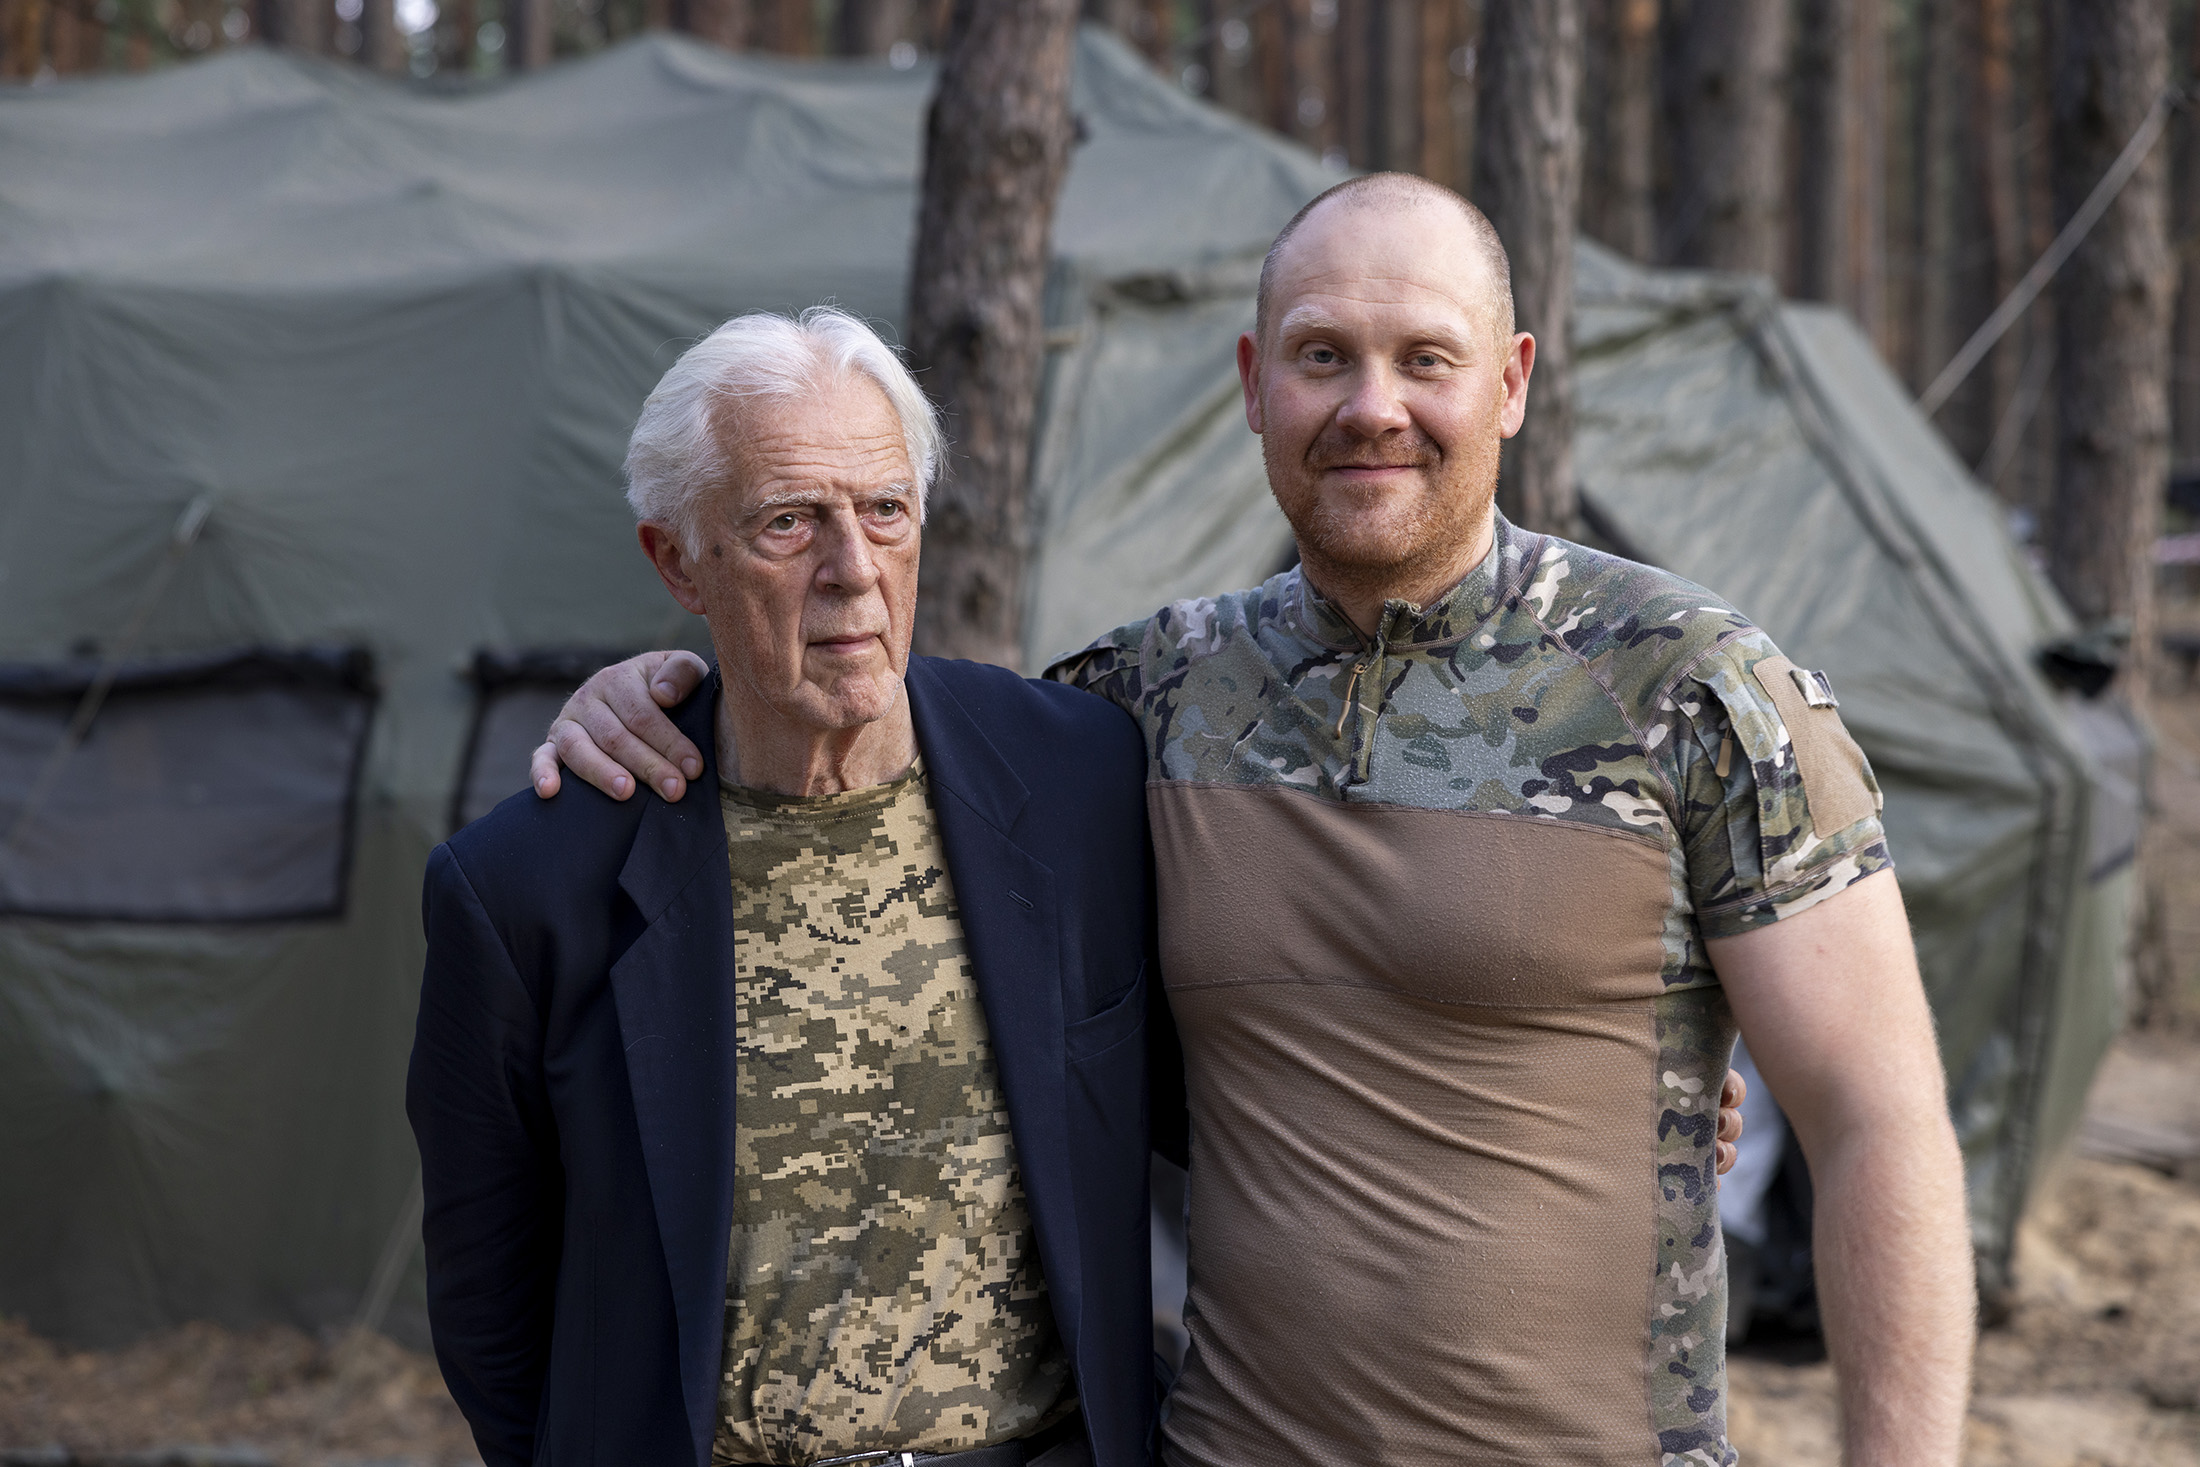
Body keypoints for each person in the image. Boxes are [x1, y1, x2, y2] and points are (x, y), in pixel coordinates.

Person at [544, 175, 1949, 1467]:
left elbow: (1879, 1122)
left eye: (1428, 358)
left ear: (1513, 383)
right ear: (1253, 384)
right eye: (1323, 354)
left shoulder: (1688, 684)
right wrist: (654, 687)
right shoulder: (1142, 697)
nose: (1372, 405)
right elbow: (853, 734)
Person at [407, 307, 1165, 1467]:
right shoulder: (527, 889)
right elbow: (488, 1306)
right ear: (677, 562)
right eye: (786, 525)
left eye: (884, 511)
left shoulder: (1081, 780)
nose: (851, 572)